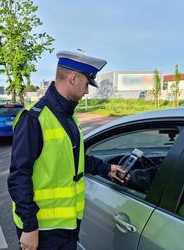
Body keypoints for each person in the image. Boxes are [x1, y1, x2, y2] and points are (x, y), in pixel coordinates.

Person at [7, 51, 127, 250]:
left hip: (69, 225)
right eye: (87, 84)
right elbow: (19, 177)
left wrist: (106, 168)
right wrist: (29, 228)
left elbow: (75, 160)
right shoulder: (34, 119)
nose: (87, 91)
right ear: (73, 78)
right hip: (42, 231)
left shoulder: (69, 117)